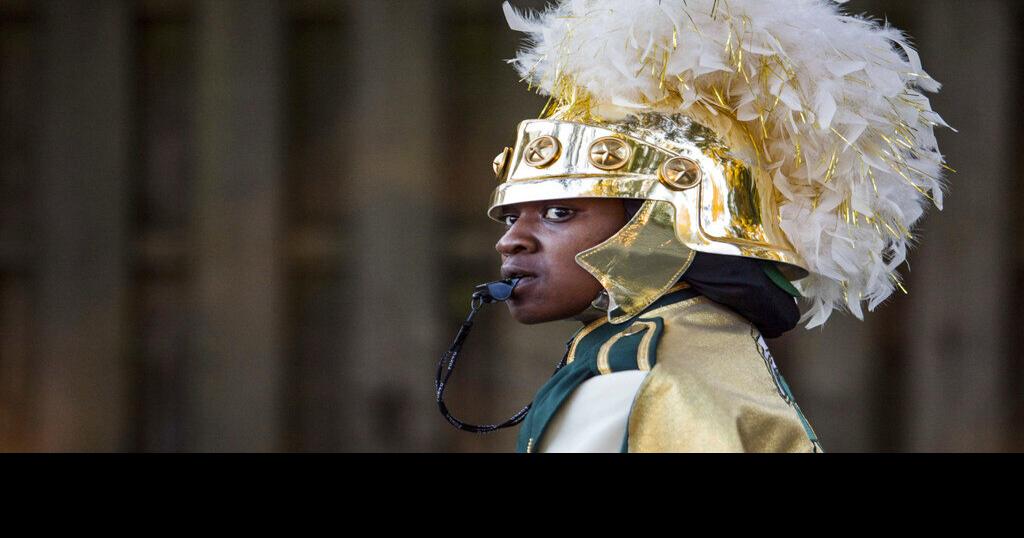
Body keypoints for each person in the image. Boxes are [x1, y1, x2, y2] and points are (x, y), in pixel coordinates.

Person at [486, 0, 949, 452]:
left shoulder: (645, 381)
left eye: (558, 212)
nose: (510, 240)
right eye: (510, 217)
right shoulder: (712, 351)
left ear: (664, 219)